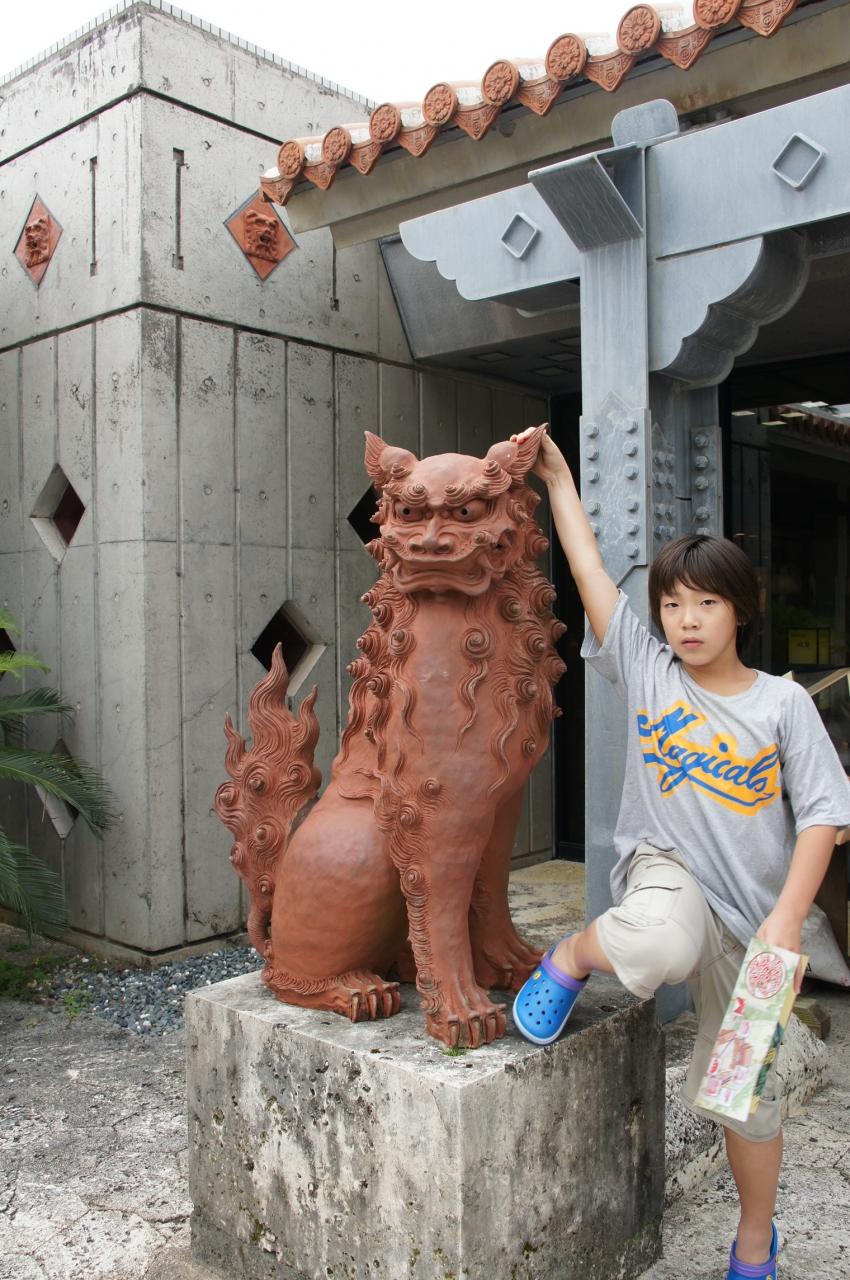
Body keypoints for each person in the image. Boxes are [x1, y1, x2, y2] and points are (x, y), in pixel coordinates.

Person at [511, 428, 850, 1280]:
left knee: (749, 1098)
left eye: (705, 604)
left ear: (742, 609)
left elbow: (824, 817)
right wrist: (559, 482)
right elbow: (590, 571)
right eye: (672, 605)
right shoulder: (650, 670)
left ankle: (754, 1243)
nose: (687, 621)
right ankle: (571, 955)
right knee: (659, 941)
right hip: (670, 875)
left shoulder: (782, 707)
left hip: (759, 923)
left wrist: (785, 923)